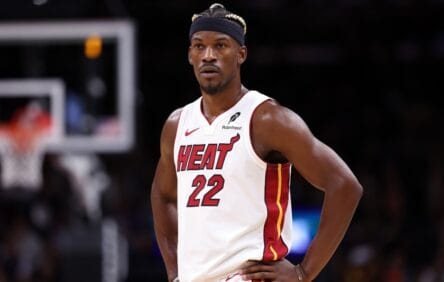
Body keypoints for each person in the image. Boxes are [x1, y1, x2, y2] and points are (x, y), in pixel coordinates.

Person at [151, 3, 363, 282]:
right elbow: (163, 195)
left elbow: (345, 185)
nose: (208, 56)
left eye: (221, 46)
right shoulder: (177, 124)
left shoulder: (266, 119)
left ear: (241, 54)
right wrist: (174, 272)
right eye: (199, 46)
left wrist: (303, 272)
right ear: (190, 55)